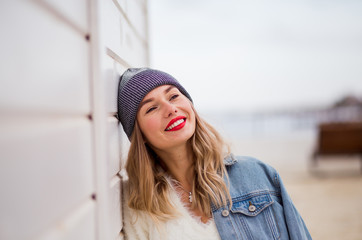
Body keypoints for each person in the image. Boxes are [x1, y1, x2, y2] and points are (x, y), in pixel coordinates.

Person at [117, 68, 312, 240]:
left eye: (174, 96)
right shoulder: (139, 203)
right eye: (151, 108)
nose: (171, 109)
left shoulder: (258, 175)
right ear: (139, 134)